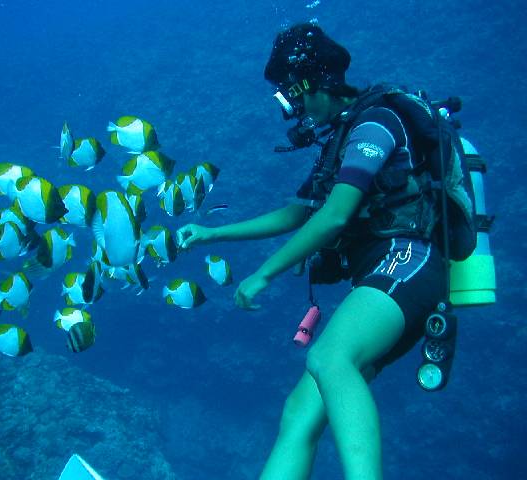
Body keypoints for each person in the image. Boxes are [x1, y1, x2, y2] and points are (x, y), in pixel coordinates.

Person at [176, 23, 447, 480]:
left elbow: (335, 215)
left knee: (329, 359)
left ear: (315, 84)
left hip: (407, 263)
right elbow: (298, 213)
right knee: (300, 411)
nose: (296, 110)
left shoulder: (375, 124)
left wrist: (264, 273)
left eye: (295, 96)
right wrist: (210, 234)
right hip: (383, 276)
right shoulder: (340, 142)